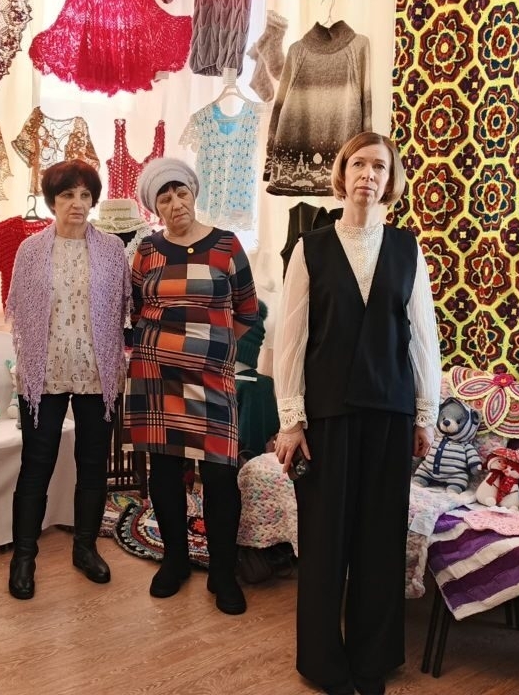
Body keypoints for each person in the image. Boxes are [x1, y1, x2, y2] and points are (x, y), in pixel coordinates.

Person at [273, 131, 441, 695]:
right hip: (327, 416)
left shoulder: (407, 249)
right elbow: (292, 337)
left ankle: (374, 660)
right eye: (359, 164)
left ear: (391, 180)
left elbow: (423, 338)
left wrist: (425, 414)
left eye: (380, 166)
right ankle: (323, 662)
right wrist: (291, 418)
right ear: (342, 174)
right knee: (324, 543)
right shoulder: (311, 248)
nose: (369, 174)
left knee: (380, 540)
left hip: (390, 413)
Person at [123, 157, 259, 615]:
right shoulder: (147, 251)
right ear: (154, 207)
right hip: (156, 374)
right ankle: (174, 561)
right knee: (164, 471)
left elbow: (246, 312)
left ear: (193, 193)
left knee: (220, 474)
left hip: (211, 378)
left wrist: (211, 349)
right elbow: (138, 310)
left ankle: (223, 572)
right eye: (164, 198)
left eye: (181, 192)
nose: (175, 203)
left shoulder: (227, 245)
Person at [5, 159, 130, 600]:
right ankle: (23, 557)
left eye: (84, 195)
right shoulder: (31, 250)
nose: (77, 203)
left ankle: (85, 548)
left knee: (93, 464)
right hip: (45, 371)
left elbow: (122, 310)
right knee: (36, 464)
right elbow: (21, 310)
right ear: (51, 202)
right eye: (67, 195)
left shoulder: (113, 249)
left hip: (98, 372)